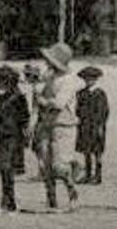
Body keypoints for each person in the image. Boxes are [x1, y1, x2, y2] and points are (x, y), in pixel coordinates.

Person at [26, 50, 79, 211]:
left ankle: (72, 190)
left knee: (59, 166)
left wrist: (41, 99)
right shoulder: (49, 77)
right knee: (44, 164)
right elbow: (36, 96)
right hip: (46, 124)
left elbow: (58, 103)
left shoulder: (69, 81)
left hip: (63, 126)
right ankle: (51, 198)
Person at [0, 65, 30, 212]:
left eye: (1, 80)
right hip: (0, 137)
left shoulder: (19, 99)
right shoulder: (0, 98)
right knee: (3, 170)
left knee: (7, 167)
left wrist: (26, 135)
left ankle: (9, 198)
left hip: (13, 138)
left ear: (9, 81)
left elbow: (24, 118)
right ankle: (7, 197)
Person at [75, 66, 110, 184]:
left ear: (96, 79)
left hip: (95, 126)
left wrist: (100, 125)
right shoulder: (81, 93)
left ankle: (98, 175)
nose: (88, 81)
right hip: (85, 125)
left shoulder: (100, 94)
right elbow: (78, 109)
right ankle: (88, 174)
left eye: (91, 79)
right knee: (86, 151)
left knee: (97, 151)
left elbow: (103, 111)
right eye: (86, 79)